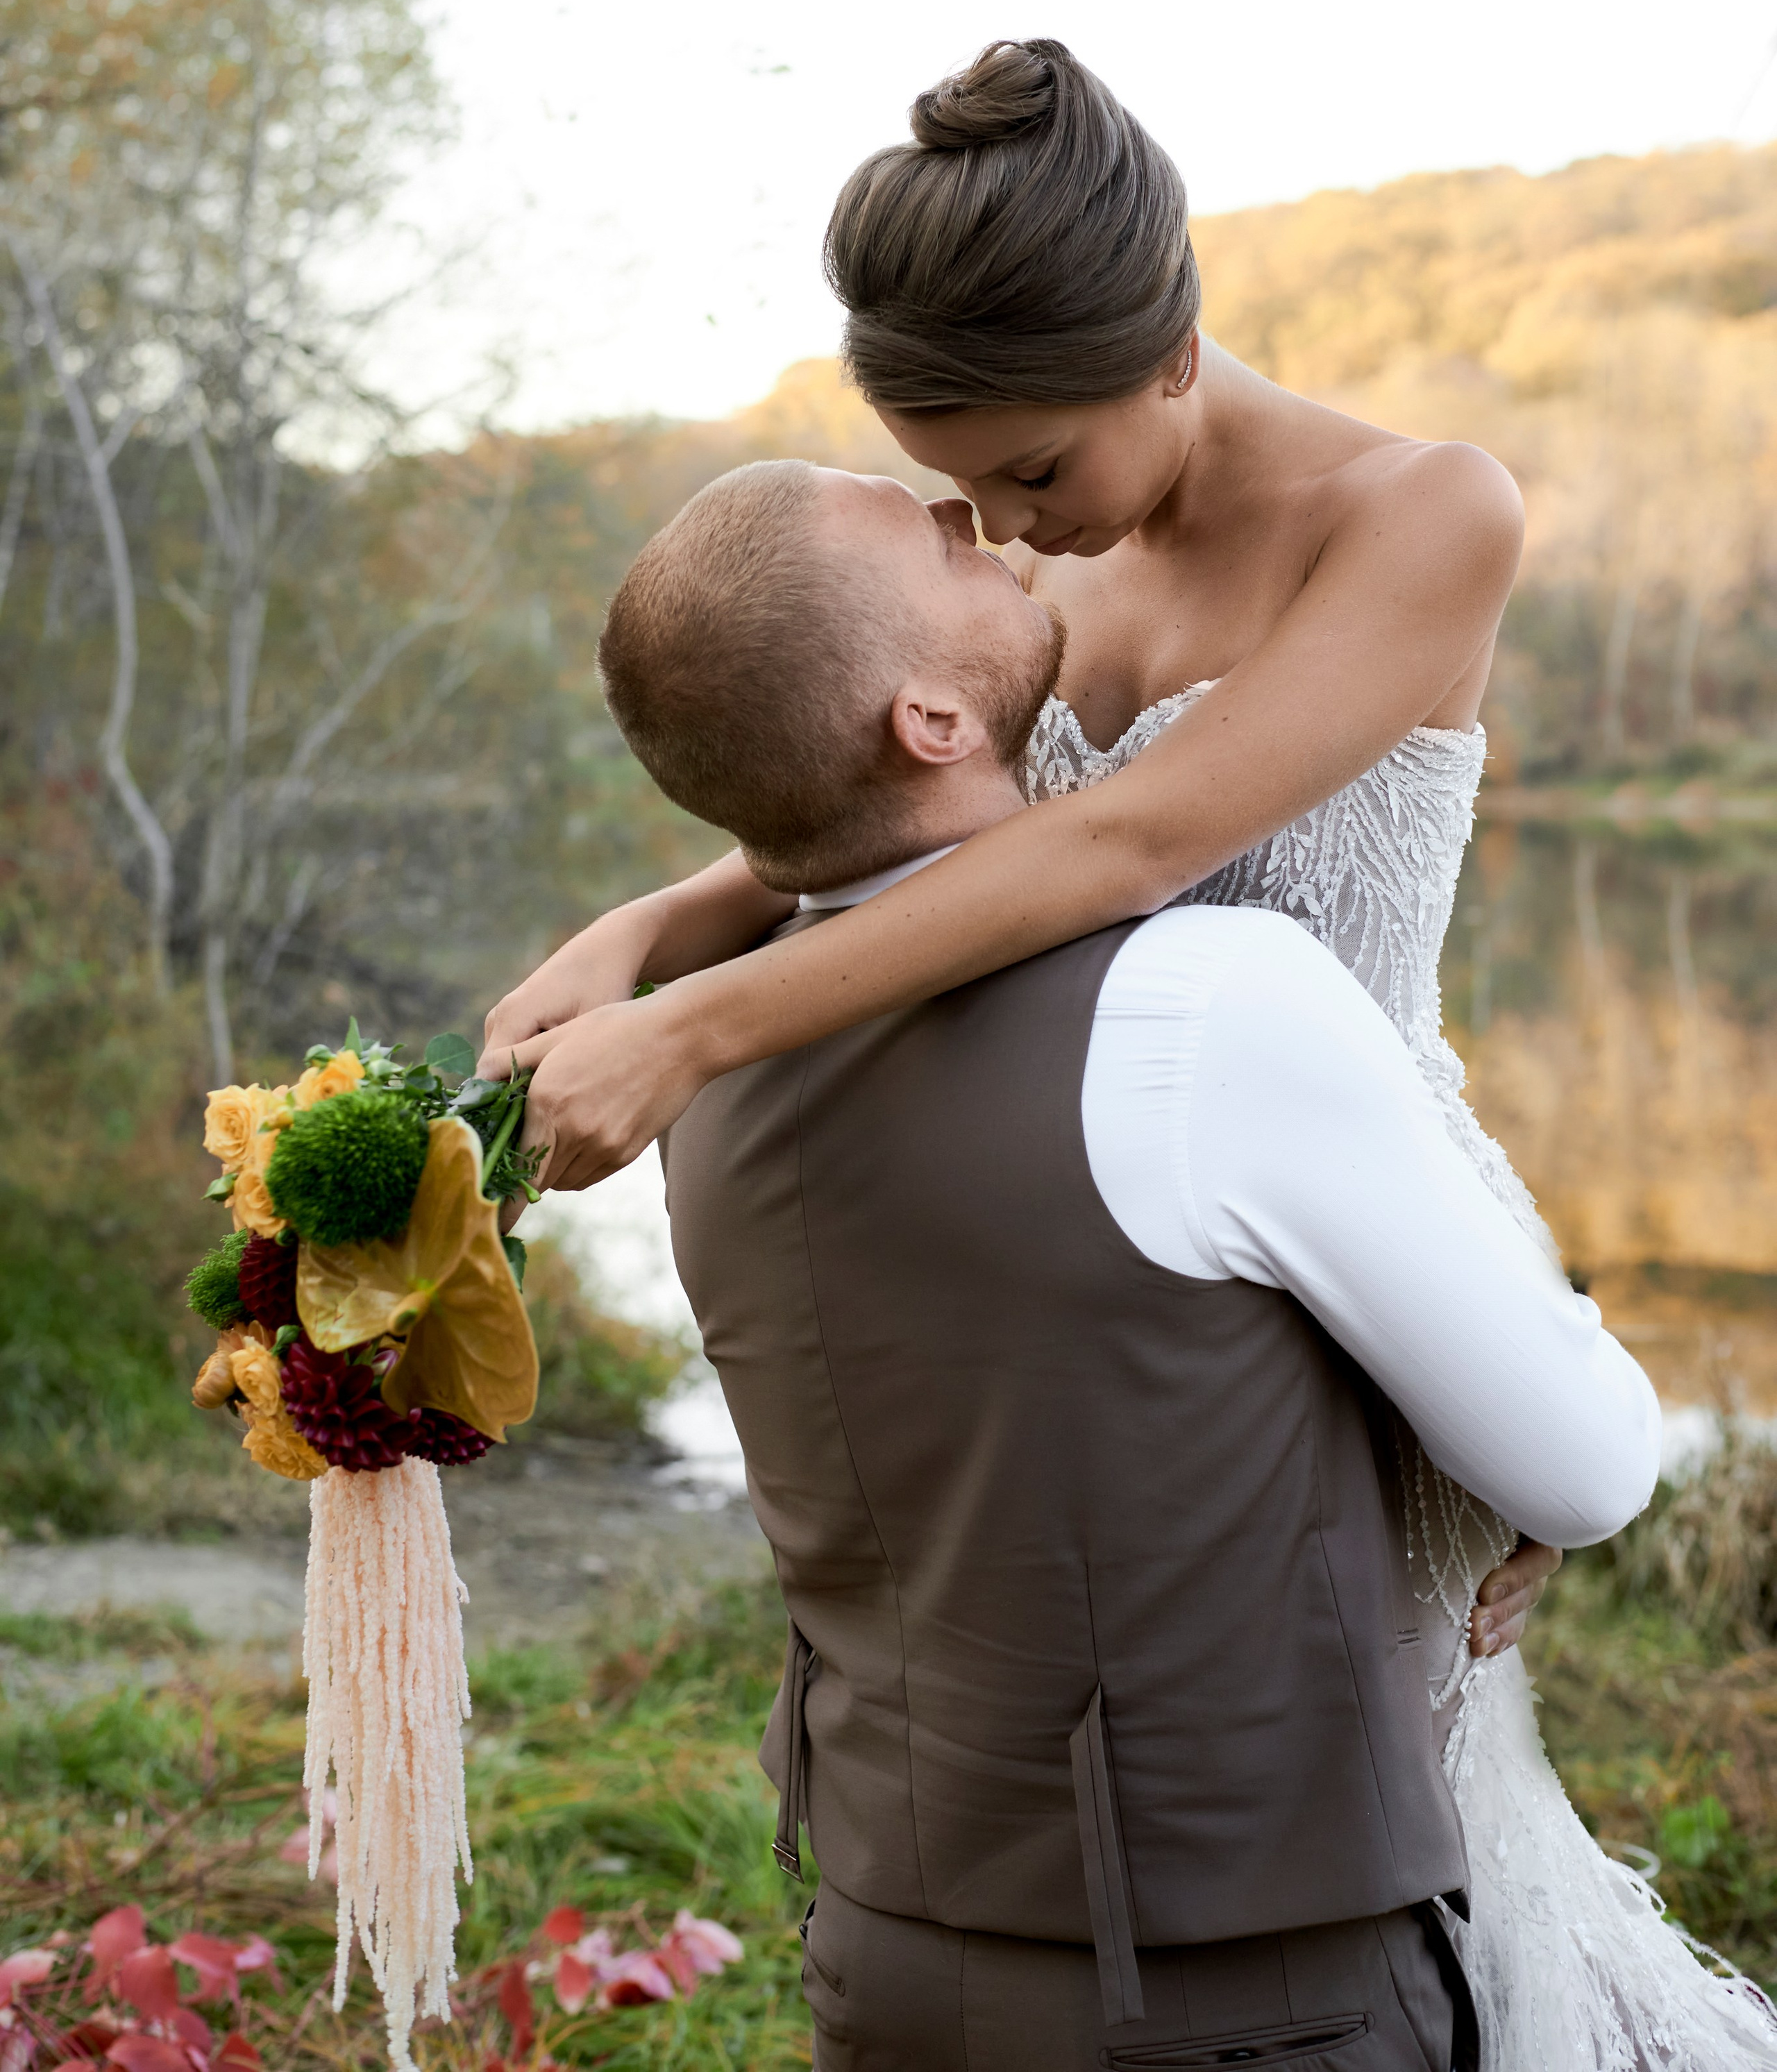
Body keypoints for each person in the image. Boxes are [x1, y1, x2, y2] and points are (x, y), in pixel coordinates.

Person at [490, 44, 1777, 2065]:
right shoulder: (1068, 552)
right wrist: (655, 923)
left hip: (1367, 1224)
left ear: (1173, 350)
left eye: (1033, 476)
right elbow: (929, 830)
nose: (1012, 536)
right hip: (1161, 1248)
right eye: (974, 495)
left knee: (1411, 1802)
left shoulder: (1425, 513)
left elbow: (1130, 844)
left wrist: (702, 1019)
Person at [593, 454, 1662, 2071]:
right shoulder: (1212, 1002)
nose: (969, 516)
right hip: (1235, 1999)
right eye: (928, 538)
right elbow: (1581, 1467)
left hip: (879, 1961)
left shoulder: (707, 1076)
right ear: (929, 724)